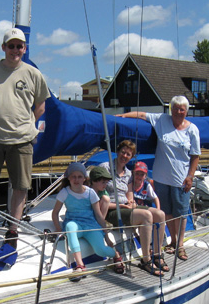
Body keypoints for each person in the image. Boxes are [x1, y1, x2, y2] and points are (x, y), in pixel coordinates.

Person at [0, 27, 50, 249]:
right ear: (4, 48)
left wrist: (24, 125)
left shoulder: (33, 74)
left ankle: (13, 230)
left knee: (21, 186)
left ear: (24, 49)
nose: (15, 50)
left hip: (22, 140)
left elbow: (41, 107)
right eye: (11, 46)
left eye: (19, 46)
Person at [117, 95, 200, 261]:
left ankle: (180, 244)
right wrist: (124, 116)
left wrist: (190, 176)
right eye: (175, 109)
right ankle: (173, 241)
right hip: (162, 178)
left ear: (186, 111)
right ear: (171, 109)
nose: (178, 112)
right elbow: (142, 115)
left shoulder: (192, 130)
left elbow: (195, 155)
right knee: (168, 213)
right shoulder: (162, 120)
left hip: (181, 179)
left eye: (181, 109)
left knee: (181, 213)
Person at [99, 140, 168, 275]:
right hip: (110, 209)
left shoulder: (129, 173)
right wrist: (121, 205)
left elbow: (129, 194)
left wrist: (131, 202)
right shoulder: (105, 168)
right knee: (147, 216)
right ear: (117, 152)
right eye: (123, 152)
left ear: (131, 157)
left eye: (128, 154)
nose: (124, 156)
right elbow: (97, 195)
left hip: (126, 208)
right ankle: (146, 260)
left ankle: (157, 255)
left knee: (160, 214)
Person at [51, 163, 124, 279]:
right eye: (73, 176)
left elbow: (99, 216)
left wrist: (106, 236)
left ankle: (115, 254)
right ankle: (80, 265)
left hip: (90, 225)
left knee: (100, 251)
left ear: (84, 178)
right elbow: (55, 213)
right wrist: (59, 230)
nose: (76, 179)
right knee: (70, 226)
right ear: (68, 178)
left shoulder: (90, 193)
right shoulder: (64, 192)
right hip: (75, 224)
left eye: (79, 176)